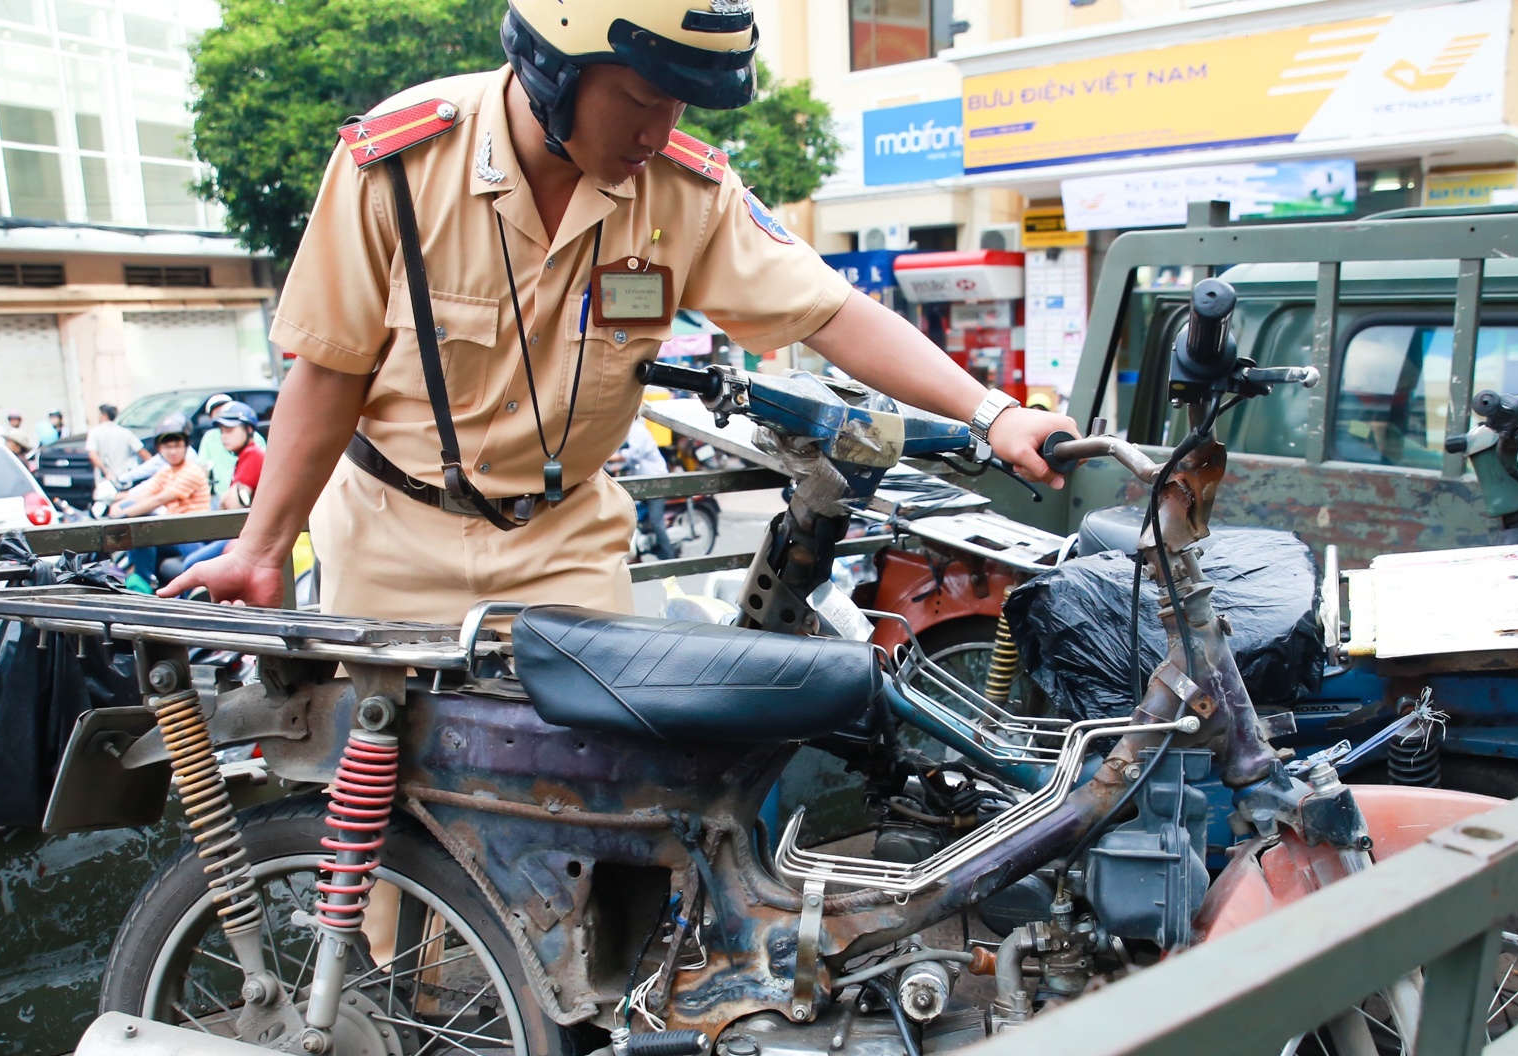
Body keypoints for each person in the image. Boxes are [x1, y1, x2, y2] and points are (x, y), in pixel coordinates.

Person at [164, 0, 1070, 622]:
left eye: (677, 102)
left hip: (565, 546)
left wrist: (993, 415)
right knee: (388, 850)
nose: (659, 127)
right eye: (640, 98)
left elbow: (829, 312)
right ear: (553, 68)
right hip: (389, 541)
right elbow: (330, 368)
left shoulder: (685, 192)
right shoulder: (398, 166)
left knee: (597, 839)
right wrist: (262, 547)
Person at [116, 414, 210, 585]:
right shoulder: (167, 471)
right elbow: (145, 494)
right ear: (159, 449)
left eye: (177, 445)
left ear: (185, 446)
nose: (173, 451)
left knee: (143, 528)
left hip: (193, 532)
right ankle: (141, 580)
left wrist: (122, 516)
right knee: (140, 532)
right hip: (174, 529)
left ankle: (144, 581)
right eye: (167, 446)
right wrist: (120, 505)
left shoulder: (191, 472)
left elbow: (158, 499)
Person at [178, 402, 268, 574]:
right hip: (240, 532)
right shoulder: (244, 456)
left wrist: (226, 498)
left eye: (230, 430)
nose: (224, 436)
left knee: (191, 564)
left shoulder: (253, 454)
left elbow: (233, 504)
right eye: (222, 431)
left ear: (249, 430)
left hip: (246, 536)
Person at [609, 415, 675, 559]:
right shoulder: (627, 431)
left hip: (656, 481)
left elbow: (633, 454)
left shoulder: (638, 431)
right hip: (643, 482)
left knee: (656, 521)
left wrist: (613, 458)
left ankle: (669, 557)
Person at [86, 403, 149, 487]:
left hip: (104, 481)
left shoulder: (94, 432)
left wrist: (105, 472)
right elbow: (144, 453)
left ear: (104, 415)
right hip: (124, 478)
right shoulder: (125, 432)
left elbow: (92, 455)